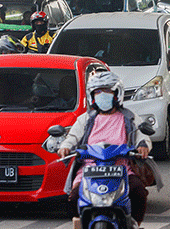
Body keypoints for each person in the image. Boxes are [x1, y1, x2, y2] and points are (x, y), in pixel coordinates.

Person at [57, 70, 158, 227]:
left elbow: (141, 136)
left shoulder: (129, 117)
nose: (102, 95)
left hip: (121, 169)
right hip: (90, 170)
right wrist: (65, 147)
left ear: (117, 94)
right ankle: (80, 221)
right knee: (74, 195)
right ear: (92, 96)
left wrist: (143, 146)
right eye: (98, 92)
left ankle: (134, 223)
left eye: (107, 91)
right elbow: (72, 138)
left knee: (138, 192)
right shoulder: (86, 119)